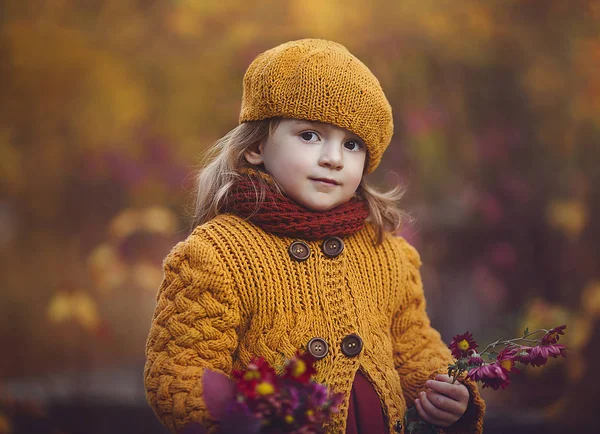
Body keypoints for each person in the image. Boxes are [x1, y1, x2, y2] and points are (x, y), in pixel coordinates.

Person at [143, 39, 485, 434]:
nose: (333, 158)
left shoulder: (388, 254)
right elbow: (179, 375)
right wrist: (253, 423)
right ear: (256, 145)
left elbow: (415, 346)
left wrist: (447, 393)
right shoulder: (215, 254)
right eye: (310, 135)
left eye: (352, 144)